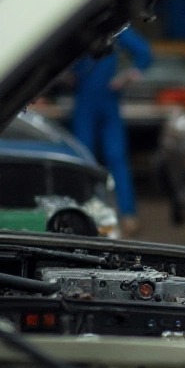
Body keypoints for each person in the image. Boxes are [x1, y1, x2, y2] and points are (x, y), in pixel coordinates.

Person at [70, 24, 152, 237]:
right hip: (86, 102)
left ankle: (127, 214)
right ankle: (83, 212)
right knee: (83, 159)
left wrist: (125, 77)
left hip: (106, 101)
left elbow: (144, 53)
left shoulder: (113, 28)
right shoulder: (77, 30)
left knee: (115, 157)